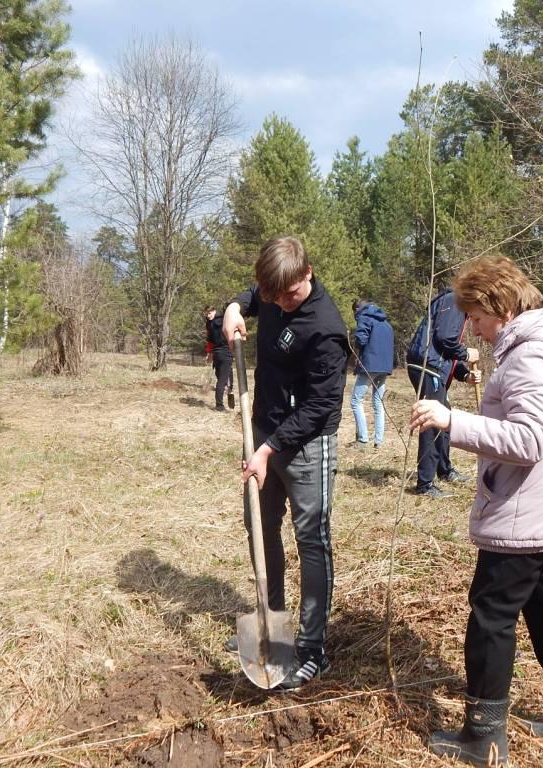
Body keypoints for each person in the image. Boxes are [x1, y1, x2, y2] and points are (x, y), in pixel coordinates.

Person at [409, 255, 543, 766]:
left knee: (491, 617)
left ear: (498, 305)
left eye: (474, 315)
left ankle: (482, 735)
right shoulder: (535, 346)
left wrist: (453, 421)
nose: (470, 326)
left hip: (525, 512)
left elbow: (530, 439)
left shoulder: (532, 356)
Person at [221, 236, 350, 690]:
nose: (282, 303)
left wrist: (269, 448)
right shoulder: (274, 289)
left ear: (308, 274)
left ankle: (314, 650)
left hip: (307, 445)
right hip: (263, 433)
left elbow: (320, 407)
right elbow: (254, 295)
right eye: (274, 296)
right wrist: (237, 307)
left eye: (289, 295)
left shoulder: (326, 330)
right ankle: (272, 623)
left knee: (312, 541)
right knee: (261, 525)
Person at [406, 286, 479, 498]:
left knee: (445, 418)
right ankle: (425, 484)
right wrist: (466, 353)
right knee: (432, 422)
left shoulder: (457, 306)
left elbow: (447, 350)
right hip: (427, 367)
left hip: (433, 366)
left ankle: (444, 470)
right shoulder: (455, 301)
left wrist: (465, 374)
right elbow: (445, 339)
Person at [350, 298, 394, 448]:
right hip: (384, 367)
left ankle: (363, 439)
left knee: (356, 401)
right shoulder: (386, 323)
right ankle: (379, 441)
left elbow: (361, 339)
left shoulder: (364, 317)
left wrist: (357, 350)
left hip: (369, 366)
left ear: (357, 309)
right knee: (378, 403)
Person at [203, 306, 234, 411]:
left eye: (209, 313)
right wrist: (209, 353)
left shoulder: (224, 319)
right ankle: (219, 405)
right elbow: (210, 341)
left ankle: (230, 390)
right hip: (220, 353)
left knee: (224, 375)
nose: (208, 316)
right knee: (222, 379)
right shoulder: (210, 323)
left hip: (224, 352)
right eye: (206, 314)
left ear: (214, 311)